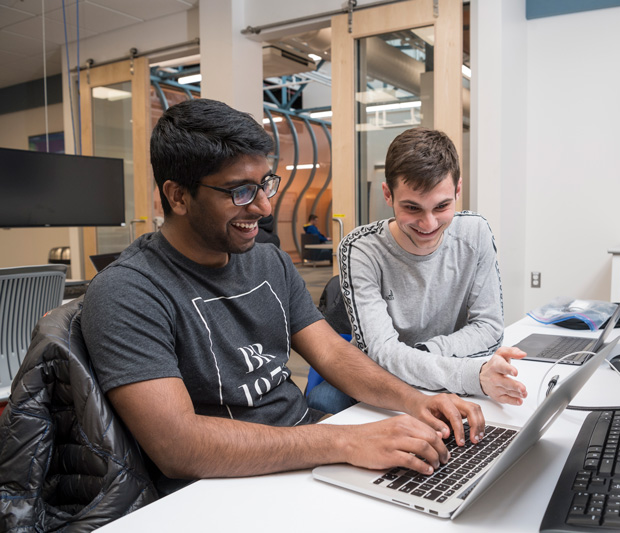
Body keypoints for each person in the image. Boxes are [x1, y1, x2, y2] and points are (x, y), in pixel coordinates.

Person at [81, 99, 485, 496]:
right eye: (240, 191)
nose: (264, 206)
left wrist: (416, 402)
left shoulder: (269, 261)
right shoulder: (127, 292)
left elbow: (332, 354)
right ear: (178, 196)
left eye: (265, 185)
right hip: (220, 487)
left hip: (304, 454)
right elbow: (178, 446)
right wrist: (345, 441)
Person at [331, 127, 528, 413]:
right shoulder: (360, 249)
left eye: (442, 206)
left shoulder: (475, 232)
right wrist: (472, 374)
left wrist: (422, 353)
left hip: (448, 381)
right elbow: (382, 353)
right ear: (388, 194)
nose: (429, 224)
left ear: (458, 190)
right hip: (391, 390)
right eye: (412, 208)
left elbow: (489, 329)